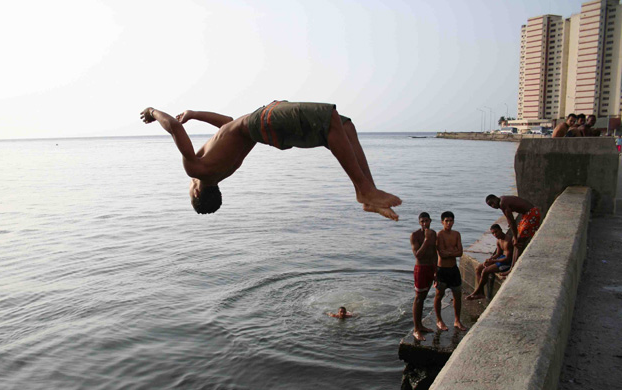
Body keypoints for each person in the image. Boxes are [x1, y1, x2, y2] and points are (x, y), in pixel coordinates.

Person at [139, 101, 402, 219]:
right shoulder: (195, 168)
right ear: (196, 192)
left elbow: (228, 125)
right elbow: (174, 127)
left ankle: (368, 191)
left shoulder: (219, 169)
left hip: (263, 130)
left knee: (344, 127)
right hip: (262, 122)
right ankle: (363, 190)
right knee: (330, 120)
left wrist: (195, 114)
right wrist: (152, 111)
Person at [485, 194, 541, 277]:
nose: (493, 206)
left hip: (531, 214)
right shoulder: (502, 200)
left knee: (517, 242)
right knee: (516, 242)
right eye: (490, 205)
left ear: (496, 198)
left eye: (492, 203)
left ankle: (512, 269)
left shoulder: (502, 203)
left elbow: (512, 222)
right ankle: (512, 266)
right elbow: (509, 220)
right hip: (528, 214)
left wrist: (515, 237)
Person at [434, 211, 467, 332]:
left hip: (454, 269)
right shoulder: (439, 235)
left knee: (457, 295)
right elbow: (441, 254)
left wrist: (450, 252)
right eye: (446, 221)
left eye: (451, 220)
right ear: (442, 222)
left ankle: (457, 320)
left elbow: (460, 252)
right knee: (439, 295)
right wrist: (453, 252)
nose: (449, 223)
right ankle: (439, 320)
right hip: (442, 270)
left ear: (453, 221)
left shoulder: (456, 234)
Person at [466, 224, 514, 300]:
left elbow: (507, 258)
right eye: (493, 233)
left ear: (501, 230)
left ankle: (477, 291)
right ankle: (481, 292)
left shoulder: (508, 241)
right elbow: (498, 253)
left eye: (496, 232)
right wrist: (490, 260)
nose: (495, 235)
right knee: (478, 268)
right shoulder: (498, 240)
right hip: (500, 259)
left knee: (485, 271)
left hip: (506, 263)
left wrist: (494, 261)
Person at [410, 212, 438, 341]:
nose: (424, 224)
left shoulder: (433, 234)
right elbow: (418, 255)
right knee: (418, 298)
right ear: (419, 222)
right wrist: (426, 240)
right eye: (422, 221)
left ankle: (420, 325)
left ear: (430, 221)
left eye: (426, 221)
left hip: (431, 268)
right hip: (420, 268)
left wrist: (436, 271)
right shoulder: (415, 235)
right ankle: (416, 329)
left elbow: (434, 254)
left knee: (424, 296)